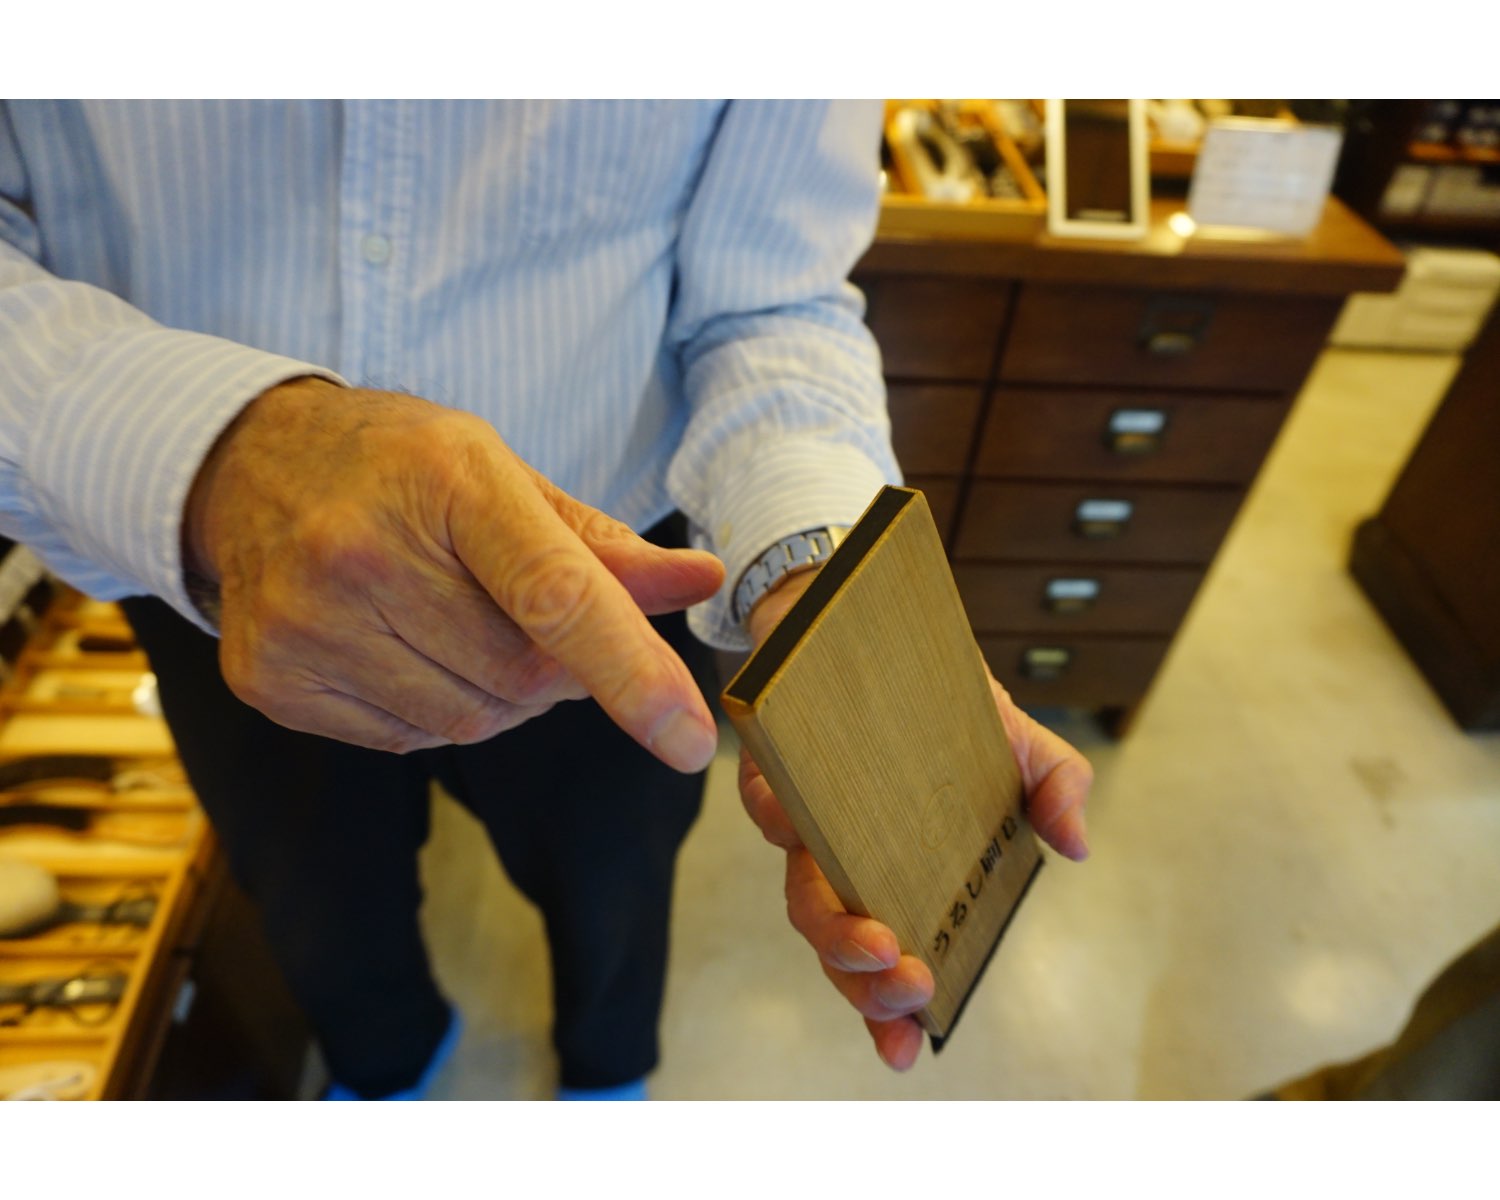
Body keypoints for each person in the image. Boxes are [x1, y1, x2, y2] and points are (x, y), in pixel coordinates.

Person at [0, 100, 1092, 1098]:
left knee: (614, 889)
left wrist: (832, 607)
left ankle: (605, 1075)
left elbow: (771, 299)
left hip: (609, 579)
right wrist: (222, 452)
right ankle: (387, 1071)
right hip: (218, 564)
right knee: (316, 906)